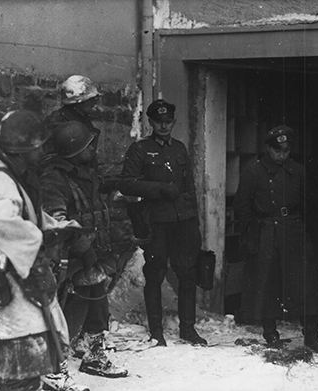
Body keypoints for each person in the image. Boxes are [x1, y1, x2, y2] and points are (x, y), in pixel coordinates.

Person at [0, 110, 79, 390]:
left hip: (22, 279)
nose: (44, 151)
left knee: (28, 364)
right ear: (22, 150)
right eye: (40, 147)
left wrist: (53, 225)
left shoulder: (17, 173)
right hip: (9, 281)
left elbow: (22, 212)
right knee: (19, 368)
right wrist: (35, 239)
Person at [40, 121, 130, 378]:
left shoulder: (84, 173)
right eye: (88, 145)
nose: (93, 149)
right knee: (60, 311)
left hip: (88, 253)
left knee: (97, 302)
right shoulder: (54, 178)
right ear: (74, 149)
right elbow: (55, 220)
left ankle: (94, 353)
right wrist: (77, 244)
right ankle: (52, 367)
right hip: (65, 256)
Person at [233, 125, 318, 356]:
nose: (282, 155)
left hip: (294, 230)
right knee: (268, 281)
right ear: (268, 148)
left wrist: (308, 232)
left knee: (304, 282)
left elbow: (310, 204)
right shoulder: (253, 171)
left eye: (286, 150)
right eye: (277, 150)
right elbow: (242, 206)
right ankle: (271, 333)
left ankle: (312, 335)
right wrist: (249, 236)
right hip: (265, 230)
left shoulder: (298, 171)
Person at [118, 99, 207, 346]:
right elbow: (127, 183)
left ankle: (188, 329)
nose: (164, 126)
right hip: (157, 222)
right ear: (151, 122)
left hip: (183, 221)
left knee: (187, 273)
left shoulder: (179, 149)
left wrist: (196, 223)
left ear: (173, 122)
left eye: (168, 122)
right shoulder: (140, 150)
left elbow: (189, 187)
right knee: (155, 273)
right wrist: (159, 189)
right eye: (159, 122)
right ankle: (156, 332)